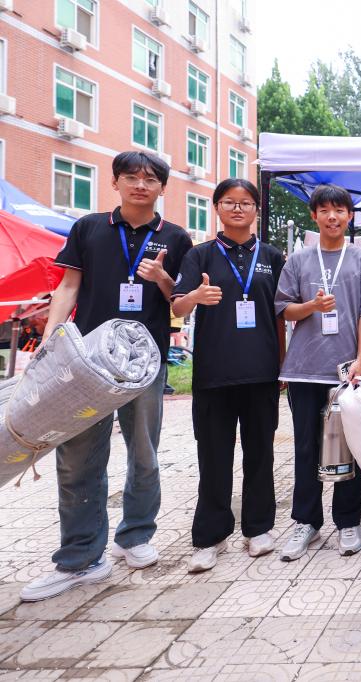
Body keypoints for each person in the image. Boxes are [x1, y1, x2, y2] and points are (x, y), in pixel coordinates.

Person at [20, 151, 192, 602]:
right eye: (131, 177)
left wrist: (161, 278)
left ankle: (135, 534)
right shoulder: (89, 228)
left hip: (145, 362)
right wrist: (51, 341)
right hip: (85, 364)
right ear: (115, 182)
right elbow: (68, 286)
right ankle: (80, 558)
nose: (141, 185)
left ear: (162, 188)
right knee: (78, 456)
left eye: (150, 179)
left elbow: (179, 302)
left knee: (144, 453)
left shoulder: (176, 237)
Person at [172, 179, 286, 571]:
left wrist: (282, 363)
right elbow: (179, 307)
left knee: (261, 453)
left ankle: (259, 528)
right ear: (217, 207)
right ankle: (210, 537)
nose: (238, 208)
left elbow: (281, 315)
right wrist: (195, 297)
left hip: (262, 372)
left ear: (256, 209)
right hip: (214, 374)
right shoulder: (199, 255)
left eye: (246, 202)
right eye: (229, 202)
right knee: (214, 456)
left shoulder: (271, 256)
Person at [274, 184, 361, 561]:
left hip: (346, 372)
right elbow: (284, 310)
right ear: (314, 216)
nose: (332, 217)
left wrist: (360, 359)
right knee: (307, 448)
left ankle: (348, 521)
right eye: (324, 210)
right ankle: (306, 521)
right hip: (305, 370)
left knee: (349, 447)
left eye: (339, 210)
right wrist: (312, 306)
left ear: (350, 216)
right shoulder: (299, 260)